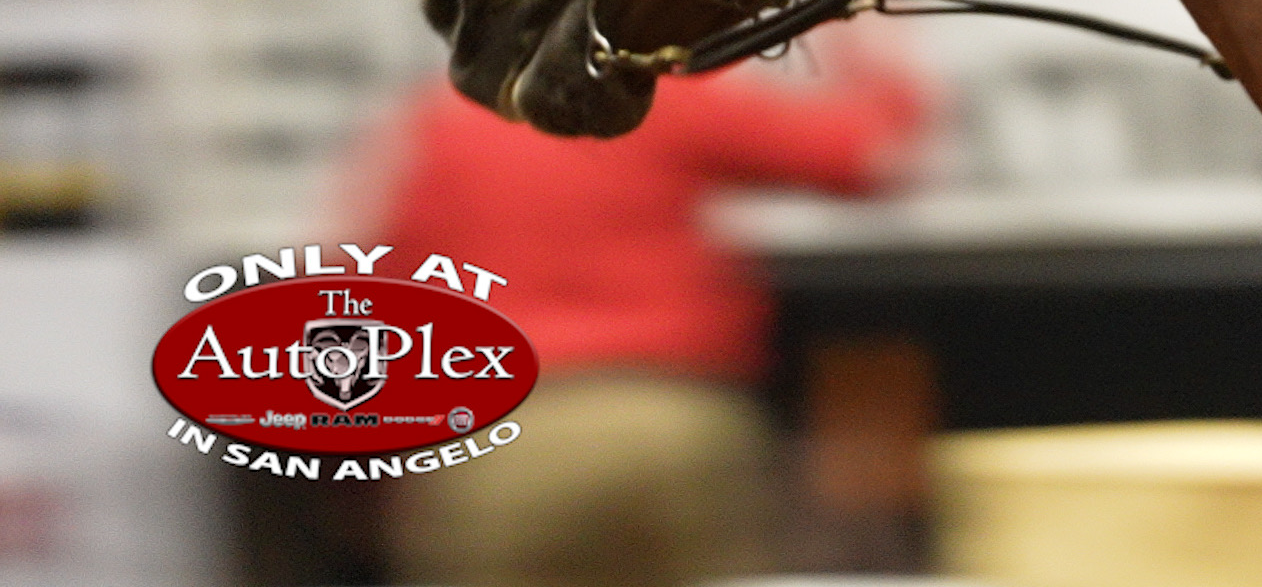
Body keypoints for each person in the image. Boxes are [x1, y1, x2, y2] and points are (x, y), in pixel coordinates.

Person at [342, 48, 929, 587]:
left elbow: (368, 294)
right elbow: (863, 156)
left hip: (502, 436)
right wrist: (862, 42)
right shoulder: (652, 98)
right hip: (670, 416)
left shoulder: (440, 122)